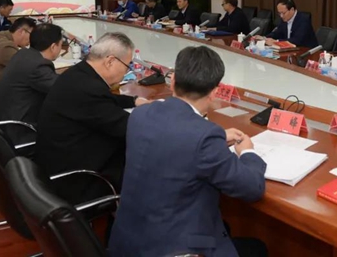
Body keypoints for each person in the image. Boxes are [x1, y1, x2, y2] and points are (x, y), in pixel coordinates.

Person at [109, 46, 267, 257]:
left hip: (127, 242)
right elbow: (252, 188)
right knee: (256, 248)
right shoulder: (204, 136)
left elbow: (175, 138)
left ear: (173, 80)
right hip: (174, 249)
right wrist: (248, 152)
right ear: (214, 92)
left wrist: (216, 138)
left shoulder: (141, 114)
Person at [35, 32, 152, 203]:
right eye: (127, 66)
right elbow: (130, 128)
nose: (127, 71)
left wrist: (134, 101)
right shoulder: (90, 89)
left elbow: (105, 99)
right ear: (110, 61)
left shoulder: (79, 73)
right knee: (147, 158)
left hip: (57, 161)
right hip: (78, 179)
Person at [0, 23, 63, 145]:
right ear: (53, 47)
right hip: (22, 131)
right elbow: (63, 89)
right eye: (60, 45)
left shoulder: (23, 54)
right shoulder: (38, 66)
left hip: (7, 123)